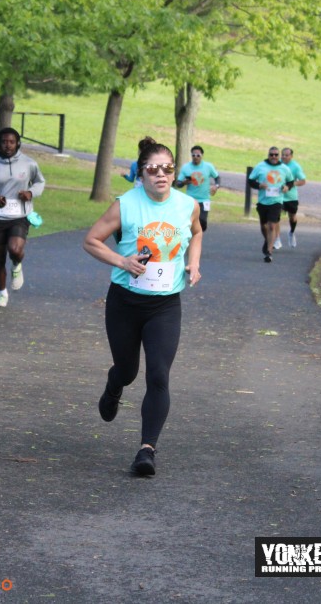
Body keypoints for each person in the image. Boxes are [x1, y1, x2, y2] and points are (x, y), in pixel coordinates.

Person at [83, 136, 203, 477]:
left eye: (167, 168)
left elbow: (196, 233)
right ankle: (114, 385)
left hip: (165, 306)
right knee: (127, 370)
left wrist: (193, 262)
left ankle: (146, 450)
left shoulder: (188, 205)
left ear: (174, 172)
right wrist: (123, 261)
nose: (161, 174)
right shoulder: (125, 205)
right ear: (141, 173)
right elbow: (91, 241)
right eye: (153, 169)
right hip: (125, 302)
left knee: (158, 375)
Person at [0, 127, 46, 307]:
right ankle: (2, 294)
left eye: (12, 142)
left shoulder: (29, 164)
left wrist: (30, 193)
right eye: (4, 142)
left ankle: (16, 264)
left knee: (15, 249)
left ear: (18, 144)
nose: (8, 145)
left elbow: (40, 182)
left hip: (19, 216)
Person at [247, 147, 295, 262]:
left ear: (279, 156)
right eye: (271, 154)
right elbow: (250, 180)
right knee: (264, 226)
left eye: (276, 155)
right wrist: (259, 185)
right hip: (263, 201)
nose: (274, 157)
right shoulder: (260, 166)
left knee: (272, 226)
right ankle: (268, 240)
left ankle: (269, 252)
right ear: (268, 155)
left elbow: (290, 181)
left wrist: (287, 187)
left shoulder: (284, 168)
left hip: (277, 201)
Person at [173, 145, 220, 231]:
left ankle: (198, 235)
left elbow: (217, 177)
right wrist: (183, 182)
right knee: (190, 223)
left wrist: (216, 186)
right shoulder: (186, 167)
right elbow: (178, 183)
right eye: (193, 155)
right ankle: (192, 237)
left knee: (202, 222)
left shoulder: (208, 167)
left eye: (198, 155)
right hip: (190, 200)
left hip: (205, 200)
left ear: (202, 155)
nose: (195, 157)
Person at [277, 147, 307, 248]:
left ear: (291, 156)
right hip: (278, 196)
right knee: (276, 217)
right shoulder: (277, 164)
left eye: (286, 155)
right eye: (282, 155)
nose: (284, 157)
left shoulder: (295, 166)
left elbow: (303, 181)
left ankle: (291, 233)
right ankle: (276, 239)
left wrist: (290, 184)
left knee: (292, 217)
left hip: (291, 197)